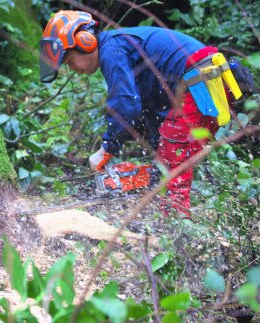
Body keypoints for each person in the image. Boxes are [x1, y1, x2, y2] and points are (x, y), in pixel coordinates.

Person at [39, 10, 233, 218]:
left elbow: (126, 105)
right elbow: (147, 106)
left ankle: (176, 223)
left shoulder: (112, 49)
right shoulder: (118, 48)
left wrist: (107, 148)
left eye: (69, 62)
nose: (72, 68)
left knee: (173, 152)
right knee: (165, 154)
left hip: (199, 81)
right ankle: (165, 212)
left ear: (85, 41)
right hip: (203, 81)